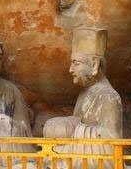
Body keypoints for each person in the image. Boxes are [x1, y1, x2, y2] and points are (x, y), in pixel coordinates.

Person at [44, 27, 122, 169]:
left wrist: (75, 128)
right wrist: (69, 123)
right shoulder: (84, 93)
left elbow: (112, 141)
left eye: (76, 63)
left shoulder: (109, 96)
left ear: (94, 65)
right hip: (80, 152)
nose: (70, 69)